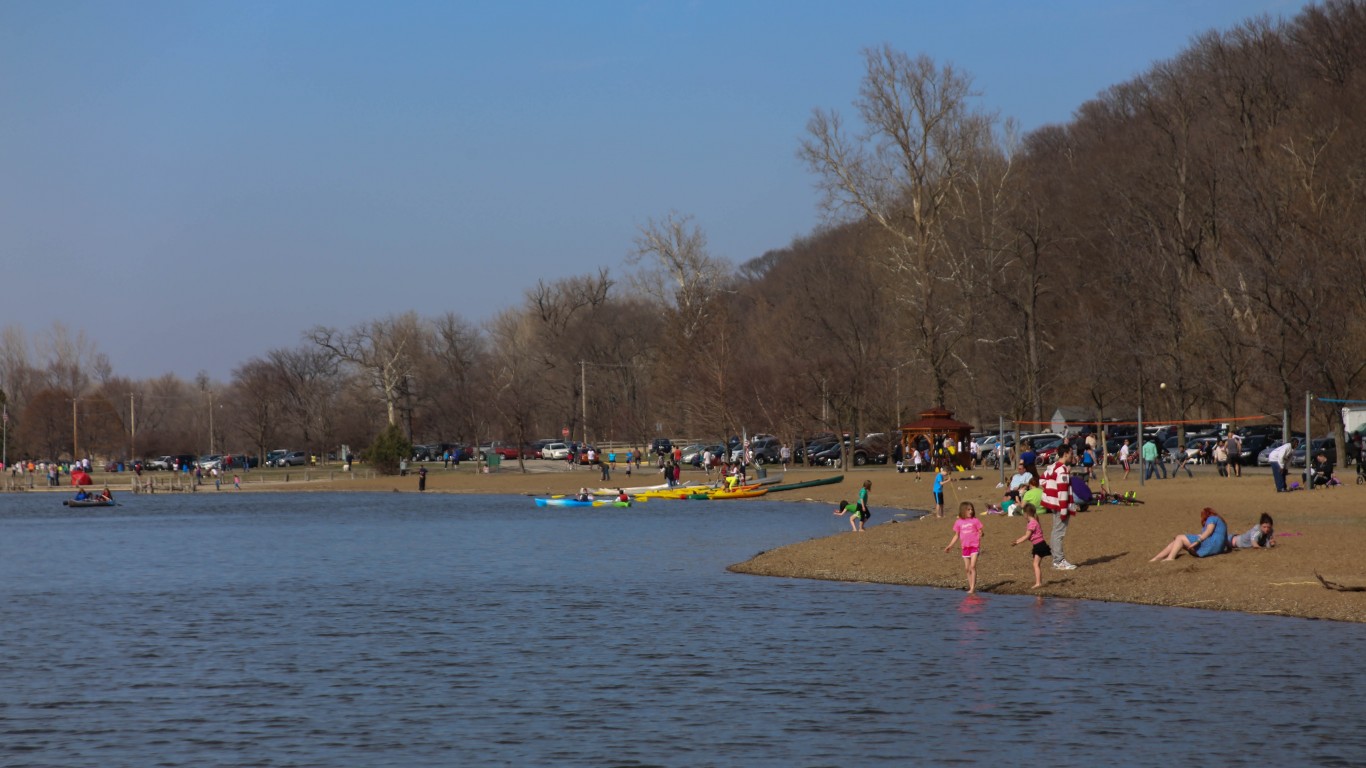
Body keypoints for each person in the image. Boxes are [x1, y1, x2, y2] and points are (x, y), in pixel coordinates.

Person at [1042, 443, 1078, 570]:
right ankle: (1059, 560)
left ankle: (1056, 559)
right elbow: (1062, 491)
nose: (1072, 455)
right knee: (1059, 533)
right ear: (1066, 453)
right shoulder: (1062, 470)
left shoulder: (1052, 467)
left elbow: (1042, 480)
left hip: (1053, 504)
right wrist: (1064, 510)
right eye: (1071, 453)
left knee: (1055, 531)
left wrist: (1050, 492)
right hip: (1061, 505)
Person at [1150, 506, 1230, 561]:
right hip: (1218, 549)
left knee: (1180, 537)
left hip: (1210, 547)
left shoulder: (1212, 518)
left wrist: (1198, 541)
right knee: (1176, 542)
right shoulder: (1222, 523)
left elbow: (1208, 532)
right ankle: (1156, 558)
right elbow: (1223, 538)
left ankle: (1170, 558)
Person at [944, 501, 984, 594]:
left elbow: (981, 531)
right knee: (967, 568)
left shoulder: (975, 520)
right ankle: (970, 586)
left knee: (973, 566)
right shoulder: (959, 522)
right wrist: (950, 545)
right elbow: (956, 535)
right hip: (965, 547)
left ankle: (972, 588)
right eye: (968, 509)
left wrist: (981, 533)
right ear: (963, 511)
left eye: (971, 509)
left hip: (974, 546)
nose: (970, 511)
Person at [1011, 503, 1051, 588]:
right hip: (1039, 545)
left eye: (1023, 513)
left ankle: (1038, 583)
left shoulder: (1032, 523)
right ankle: (1038, 582)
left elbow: (1027, 536)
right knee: (1036, 564)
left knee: (1035, 564)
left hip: (1039, 545)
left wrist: (1017, 542)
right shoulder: (1034, 521)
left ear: (1026, 513)